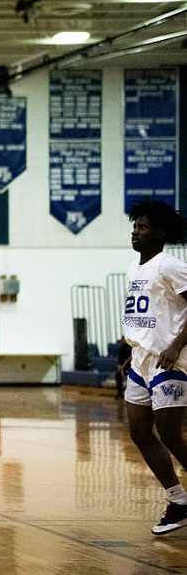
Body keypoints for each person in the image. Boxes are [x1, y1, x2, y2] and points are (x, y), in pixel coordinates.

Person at [121, 200, 187, 535]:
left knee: (170, 434)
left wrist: (176, 345)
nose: (136, 232)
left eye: (143, 227)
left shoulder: (170, 266)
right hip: (139, 360)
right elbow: (142, 315)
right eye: (134, 226)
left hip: (169, 359)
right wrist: (127, 351)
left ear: (160, 233)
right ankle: (178, 500)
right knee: (139, 432)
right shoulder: (135, 269)